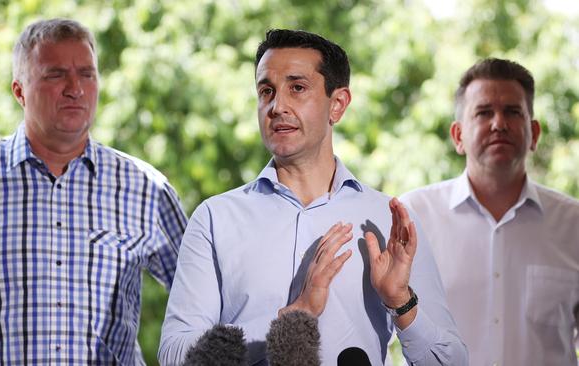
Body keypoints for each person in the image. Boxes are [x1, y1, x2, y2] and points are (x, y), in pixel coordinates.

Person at [158, 29, 467, 366]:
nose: (277, 107)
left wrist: (401, 301)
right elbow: (175, 354)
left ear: (337, 105)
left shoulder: (385, 222)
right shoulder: (215, 218)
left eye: (297, 88)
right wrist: (292, 317)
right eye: (266, 91)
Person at [0, 18, 187, 364]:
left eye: (86, 74)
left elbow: (201, 304)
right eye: (55, 74)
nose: (75, 88)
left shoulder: (145, 189)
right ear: (19, 91)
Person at [400, 58, 579, 365]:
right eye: (483, 113)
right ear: (458, 136)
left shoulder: (573, 224)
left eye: (513, 112)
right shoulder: (413, 216)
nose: (499, 123)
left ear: (534, 133)